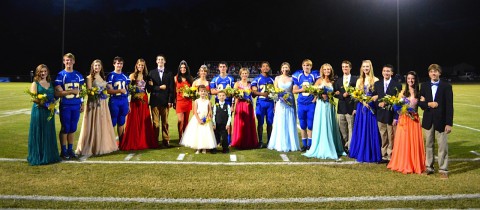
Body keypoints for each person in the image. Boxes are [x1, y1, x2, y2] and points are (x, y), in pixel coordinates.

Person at [303, 63, 346, 159]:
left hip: (329, 106)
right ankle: (322, 146)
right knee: (322, 124)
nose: (327, 71)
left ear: (331, 71)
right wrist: (319, 95)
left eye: (328, 69)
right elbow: (312, 91)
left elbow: (335, 93)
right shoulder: (319, 80)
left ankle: (332, 146)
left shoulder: (333, 81)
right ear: (322, 71)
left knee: (330, 125)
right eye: (325, 69)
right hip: (321, 106)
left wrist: (335, 93)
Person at [76, 59, 118, 156]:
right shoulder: (89, 77)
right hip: (94, 103)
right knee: (93, 124)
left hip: (103, 103)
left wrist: (108, 89)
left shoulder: (102, 76)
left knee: (102, 123)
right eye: (95, 66)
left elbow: (106, 88)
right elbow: (89, 91)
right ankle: (93, 146)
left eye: (99, 65)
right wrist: (98, 93)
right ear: (92, 67)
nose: (97, 67)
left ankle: (103, 145)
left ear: (101, 67)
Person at [418, 64, 453, 179]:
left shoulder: (446, 86)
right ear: (429, 73)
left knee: (442, 146)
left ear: (439, 73)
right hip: (428, 120)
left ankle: (443, 168)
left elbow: (449, 106)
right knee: (428, 144)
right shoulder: (424, 86)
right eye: (432, 71)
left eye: (436, 71)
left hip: (442, 121)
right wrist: (428, 104)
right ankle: (429, 167)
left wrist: (449, 123)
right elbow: (420, 104)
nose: (433, 73)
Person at [387, 71, 426, 174]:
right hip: (403, 120)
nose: (410, 80)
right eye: (408, 78)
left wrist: (424, 102)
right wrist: (397, 116)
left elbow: (422, 105)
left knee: (413, 142)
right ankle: (403, 163)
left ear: (415, 79)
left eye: (412, 78)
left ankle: (414, 164)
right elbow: (397, 106)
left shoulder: (419, 92)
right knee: (403, 142)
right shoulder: (403, 92)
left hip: (414, 120)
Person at [120, 58, 158, 150]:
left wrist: (151, 84)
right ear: (136, 65)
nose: (140, 66)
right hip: (134, 100)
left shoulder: (147, 76)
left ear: (144, 66)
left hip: (143, 100)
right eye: (139, 65)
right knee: (134, 120)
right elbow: (129, 90)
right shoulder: (132, 75)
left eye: (142, 65)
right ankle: (133, 140)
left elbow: (148, 89)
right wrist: (131, 99)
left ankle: (143, 140)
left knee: (144, 120)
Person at [27, 64, 61, 165]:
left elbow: (55, 96)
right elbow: (34, 99)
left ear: (47, 72)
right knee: (39, 132)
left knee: (48, 132)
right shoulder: (35, 83)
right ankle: (39, 156)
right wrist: (46, 104)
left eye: (45, 71)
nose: (43, 73)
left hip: (49, 112)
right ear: (38, 72)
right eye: (41, 71)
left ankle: (49, 156)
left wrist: (54, 102)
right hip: (39, 111)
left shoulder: (50, 83)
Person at [348, 60, 382, 163]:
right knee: (361, 129)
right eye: (364, 66)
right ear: (361, 68)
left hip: (371, 108)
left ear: (370, 67)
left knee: (371, 129)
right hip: (362, 107)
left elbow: (378, 94)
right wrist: (363, 102)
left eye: (367, 66)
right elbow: (357, 95)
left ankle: (371, 152)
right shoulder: (359, 80)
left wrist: (371, 101)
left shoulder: (376, 80)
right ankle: (360, 150)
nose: (366, 68)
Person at [54, 53, 84, 160]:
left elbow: (81, 91)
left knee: (73, 128)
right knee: (65, 128)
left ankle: (70, 150)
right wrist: (71, 91)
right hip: (66, 105)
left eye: (70, 60)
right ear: (63, 62)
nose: (68, 62)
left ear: (74, 62)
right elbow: (58, 93)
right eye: (66, 60)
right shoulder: (61, 75)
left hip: (76, 105)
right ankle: (63, 150)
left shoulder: (78, 75)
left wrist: (82, 103)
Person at [267, 62, 300, 152]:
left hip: (290, 102)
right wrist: (276, 101)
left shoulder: (292, 78)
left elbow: (294, 90)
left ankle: (290, 143)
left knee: (290, 121)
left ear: (289, 69)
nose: (285, 69)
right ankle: (280, 143)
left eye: (287, 67)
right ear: (281, 69)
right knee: (280, 121)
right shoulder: (277, 78)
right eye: (283, 67)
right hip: (280, 102)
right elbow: (274, 91)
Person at [373, 64, 402, 163]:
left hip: (391, 115)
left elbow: (398, 102)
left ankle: (391, 156)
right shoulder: (377, 84)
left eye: (388, 71)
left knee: (391, 136)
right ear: (382, 72)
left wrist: (396, 117)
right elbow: (374, 98)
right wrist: (378, 103)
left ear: (392, 73)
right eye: (384, 71)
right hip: (380, 115)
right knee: (383, 135)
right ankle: (384, 155)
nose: (386, 72)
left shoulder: (397, 85)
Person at [147, 54, 175, 147]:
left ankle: (166, 140)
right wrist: (159, 87)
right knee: (155, 123)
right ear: (156, 61)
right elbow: (149, 89)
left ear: (165, 61)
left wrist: (171, 100)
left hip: (165, 101)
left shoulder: (169, 73)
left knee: (165, 122)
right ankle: (155, 140)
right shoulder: (151, 73)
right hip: (155, 101)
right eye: (158, 59)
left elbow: (171, 88)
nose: (160, 61)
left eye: (162, 59)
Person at [180, 85, 217, 154]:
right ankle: (198, 148)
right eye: (201, 91)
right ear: (198, 93)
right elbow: (195, 112)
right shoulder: (196, 101)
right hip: (198, 119)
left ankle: (204, 148)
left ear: (206, 93)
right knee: (198, 133)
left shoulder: (208, 101)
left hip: (205, 120)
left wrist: (207, 117)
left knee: (205, 133)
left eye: (204, 91)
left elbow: (209, 111)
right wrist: (199, 120)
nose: (203, 93)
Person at [231, 68, 259, 149]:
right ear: (240, 74)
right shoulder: (237, 84)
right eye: (243, 73)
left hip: (249, 106)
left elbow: (253, 95)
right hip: (240, 105)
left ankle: (249, 142)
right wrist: (233, 105)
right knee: (241, 124)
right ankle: (239, 142)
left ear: (248, 74)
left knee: (248, 124)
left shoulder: (250, 84)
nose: (244, 75)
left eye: (246, 73)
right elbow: (234, 96)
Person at [292, 59, 317, 151]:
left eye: (308, 65)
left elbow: (319, 88)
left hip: (310, 104)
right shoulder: (298, 76)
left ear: (311, 66)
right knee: (303, 125)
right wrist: (301, 89)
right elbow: (294, 91)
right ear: (302, 66)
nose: (306, 67)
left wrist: (315, 98)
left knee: (310, 125)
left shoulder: (314, 76)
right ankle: (304, 144)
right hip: (301, 103)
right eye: (305, 65)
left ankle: (310, 145)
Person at [334, 60, 357, 153]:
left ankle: (350, 147)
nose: (344, 68)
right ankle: (344, 146)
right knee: (342, 129)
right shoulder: (338, 80)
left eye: (346, 67)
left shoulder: (355, 80)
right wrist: (341, 95)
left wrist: (355, 108)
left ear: (350, 68)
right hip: (341, 108)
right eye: (343, 67)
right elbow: (335, 93)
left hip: (351, 108)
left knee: (351, 128)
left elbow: (357, 95)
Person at [106, 56, 130, 145]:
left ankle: (122, 142)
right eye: (117, 63)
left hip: (124, 101)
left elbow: (128, 91)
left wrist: (128, 104)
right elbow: (109, 91)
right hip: (114, 100)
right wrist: (119, 90)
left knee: (121, 121)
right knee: (113, 121)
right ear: (114, 64)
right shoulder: (110, 76)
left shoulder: (125, 76)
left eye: (121, 63)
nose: (119, 65)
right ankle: (110, 142)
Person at [210, 61, 235, 144]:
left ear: (227, 68)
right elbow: (212, 91)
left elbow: (234, 93)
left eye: (224, 66)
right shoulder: (215, 79)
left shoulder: (231, 79)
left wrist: (232, 105)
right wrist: (222, 91)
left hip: (228, 103)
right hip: (218, 103)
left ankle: (228, 139)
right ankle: (218, 139)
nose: (222, 68)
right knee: (218, 121)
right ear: (218, 68)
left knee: (228, 120)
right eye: (221, 67)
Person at [251, 61, 275, 148]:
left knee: (269, 123)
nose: (265, 68)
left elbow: (275, 92)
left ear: (269, 68)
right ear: (261, 68)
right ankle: (260, 141)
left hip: (270, 103)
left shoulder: (272, 79)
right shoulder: (257, 79)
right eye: (263, 66)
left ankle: (269, 141)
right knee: (260, 123)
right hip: (260, 103)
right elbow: (253, 92)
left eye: (267, 66)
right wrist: (262, 94)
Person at [174, 60, 194, 141]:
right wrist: (173, 101)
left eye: (184, 68)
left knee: (186, 121)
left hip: (187, 102)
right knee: (180, 120)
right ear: (179, 68)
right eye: (181, 67)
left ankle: (185, 137)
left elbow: (193, 90)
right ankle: (180, 136)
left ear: (186, 69)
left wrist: (190, 94)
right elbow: (173, 90)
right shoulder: (176, 78)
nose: (183, 69)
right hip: (179, 101)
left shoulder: (190, 78)